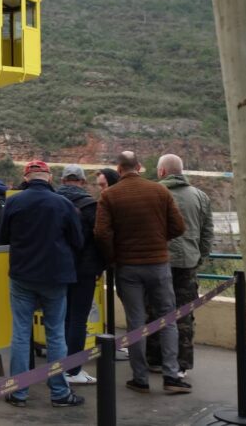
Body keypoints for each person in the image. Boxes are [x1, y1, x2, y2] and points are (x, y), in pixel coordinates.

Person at [94, 151, 190, 394]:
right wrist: (159, 241)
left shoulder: (109, 195)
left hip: (127, 267)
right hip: (158, 264)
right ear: (140, 166)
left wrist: (114, 257)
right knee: (167, 320)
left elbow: (102, 233)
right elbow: (179, 227)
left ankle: (140, 379)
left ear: (118, 170)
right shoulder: (160, 191)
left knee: (136, 323)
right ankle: (171, 376)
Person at [0, 159, 85, 408]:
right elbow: (78, 241)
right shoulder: (64, 204)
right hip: (56, 277)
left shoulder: (13, 202)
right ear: (49, 177)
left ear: (26, 178)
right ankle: (59, 393)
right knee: (56, 334)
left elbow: (2, 236)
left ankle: (18, 392)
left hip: (22, 276)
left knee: (21, 333)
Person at [146, 153, 214, 376]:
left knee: (154, 311)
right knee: (184, 314)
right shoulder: (200, 196)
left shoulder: (152, 193)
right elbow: (207, 234)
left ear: (162, 172)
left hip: (157, 262)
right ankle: (181, 364)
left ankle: (155, 359)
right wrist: (199, 257)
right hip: (187, 263)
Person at [56, 164, 104, 386]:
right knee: (78, 320)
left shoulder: (52, 202)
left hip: (57, 269)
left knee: (59, 318)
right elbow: (100, 239)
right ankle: (73, 370)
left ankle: (56, 366)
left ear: (63, 180)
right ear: (83, 182)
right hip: (84, 271)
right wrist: (100, 266)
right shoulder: (91, 205)